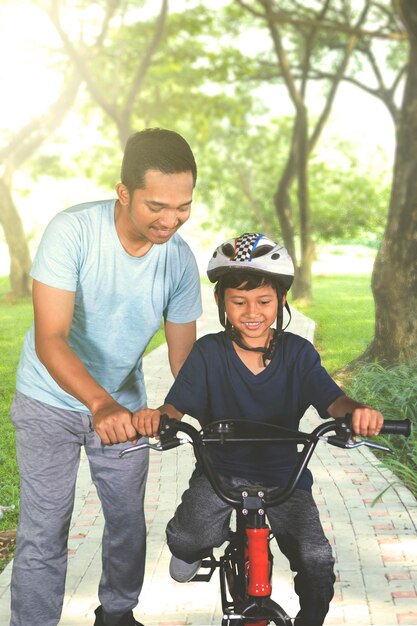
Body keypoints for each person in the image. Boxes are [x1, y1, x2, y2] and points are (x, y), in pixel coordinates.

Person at [133, 232, 384, 626]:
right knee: (188, 538)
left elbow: (333, 400)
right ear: (220, 303)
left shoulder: (298, 353)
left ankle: (311, 618)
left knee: (316, 558)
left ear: (281, 302)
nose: (252, 312)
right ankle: (191, 550)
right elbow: (174, 406)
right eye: (239, 302)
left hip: (286, 475)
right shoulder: (209, 353)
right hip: (221, 472)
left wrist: (356, 413)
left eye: (264, 301)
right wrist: (159, 418)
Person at [10, 128, 202, 626]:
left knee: (125, 524)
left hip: (125, 408)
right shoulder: (72, 231)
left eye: (183, 206)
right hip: (48, 403)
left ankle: (117, 615)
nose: (171, 220)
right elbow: (51, 338)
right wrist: (101, 405)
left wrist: (174, 410)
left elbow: (186, 365)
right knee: (45, 528)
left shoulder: (179, 259)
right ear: (124, 193)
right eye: (157, 205)